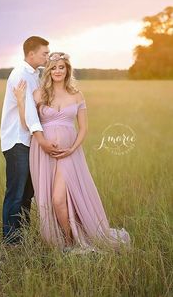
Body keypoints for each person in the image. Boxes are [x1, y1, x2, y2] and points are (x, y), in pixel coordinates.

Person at [14, 52, 131, 253]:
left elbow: (84, 128)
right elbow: (27, 125)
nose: (58, 71)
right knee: (53, 199)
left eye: (62, 67)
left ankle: (69, 242)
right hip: (43, 153)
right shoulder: (39, 94)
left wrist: (72, 150)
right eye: (54, 67)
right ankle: (67, 239)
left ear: (67, 69)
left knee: (59, 199)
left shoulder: (77, 95)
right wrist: (20, 101)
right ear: (48, 71)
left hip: (70, 154)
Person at [0, 36, 61, 245]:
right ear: (31, 53)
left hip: (30, 140)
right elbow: (29, 113)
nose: (47, 56)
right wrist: (43, 140)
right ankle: (11, 241)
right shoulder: (20, 74)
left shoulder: (36, 74)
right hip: (18, 140)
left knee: (28, 192)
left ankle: (22, 235)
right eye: (44, 53)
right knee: (16, 192)